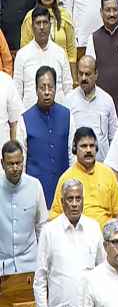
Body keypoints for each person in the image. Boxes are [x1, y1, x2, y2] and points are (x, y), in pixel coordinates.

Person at [32, 177, 103, 307]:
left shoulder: (93, 228)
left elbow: (103, 270)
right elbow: (40, 280)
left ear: (83, 201)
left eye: (78, 198)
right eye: (70, 199)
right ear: (62, 202)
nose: (74, 203)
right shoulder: (49, 231)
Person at [48, 127, 118, 229]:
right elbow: (55, 216)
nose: (88, 150)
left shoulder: (108, 173)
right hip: (76, 238)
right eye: (84, 146)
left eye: (92, 146)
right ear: (75, 149)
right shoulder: (66, 178)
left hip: (105, 238)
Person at [22, 66, 74, 206]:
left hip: (63, 191)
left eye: (50, 87)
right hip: (35, 192)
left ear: (56, 88)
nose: (46, 92)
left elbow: (72, 154)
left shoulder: (67, 115)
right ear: (36, 89)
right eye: (42, 87)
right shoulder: (25, 119)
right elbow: (23, 158)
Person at [0, 139, 47, 274]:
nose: (15, 168)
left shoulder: (35, 185)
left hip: (31, 265)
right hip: (3, 267)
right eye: (10, 164)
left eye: (18, 163)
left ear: (23, 160)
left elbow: (42, 227)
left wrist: (43, 264)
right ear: (2, 164)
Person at [14, 9, 72, 111]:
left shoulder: (60, 53)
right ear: (32, 27)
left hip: (57, 114)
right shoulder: (22, 55)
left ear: (50, 25)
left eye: (45, 23)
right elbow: (17, 91)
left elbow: (67, 87)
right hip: (30, 115)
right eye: (38, 23)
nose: (41, 27)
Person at [19, 0, 76, 80]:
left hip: (61, 71)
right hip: (35, 73)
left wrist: (74, 80)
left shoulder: (64, 16)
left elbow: (71, 51)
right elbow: (24, 49)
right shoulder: (30, 18)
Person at [63, 56, 118, 162]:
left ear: (96, 74)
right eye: (80, 73)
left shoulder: (107, 100)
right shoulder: (68, 101)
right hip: (77, 169)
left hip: (102, 168)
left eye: (87, 74)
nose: (83, 78)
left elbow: (114, 138)